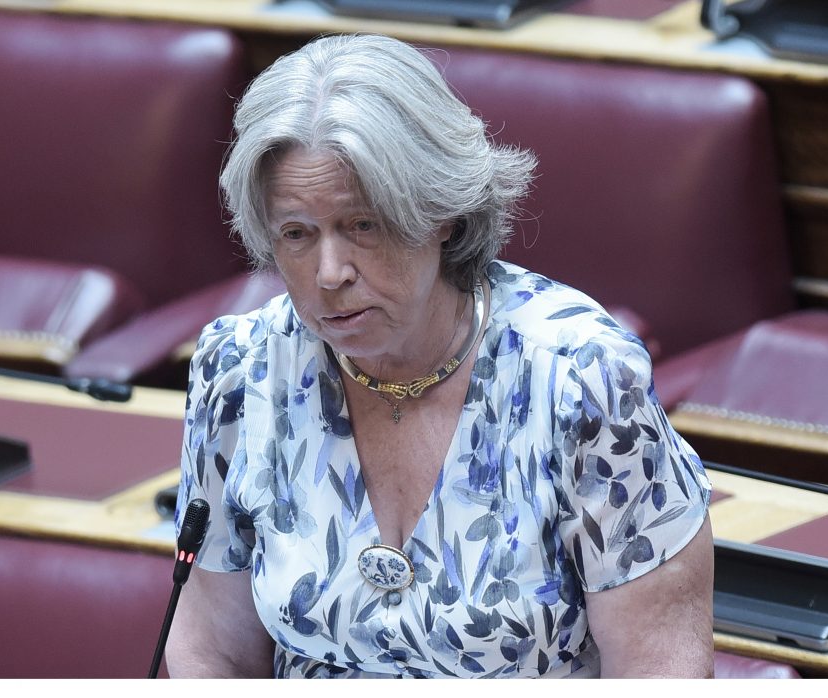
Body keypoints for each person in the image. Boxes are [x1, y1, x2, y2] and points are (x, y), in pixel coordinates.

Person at [165, 33, 714, 679]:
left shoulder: (580, 381)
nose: (330, 272)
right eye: (296, 234)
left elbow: (660, 669)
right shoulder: (240, 370)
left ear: (441, 212)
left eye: (363, 225)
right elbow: (212, 649)